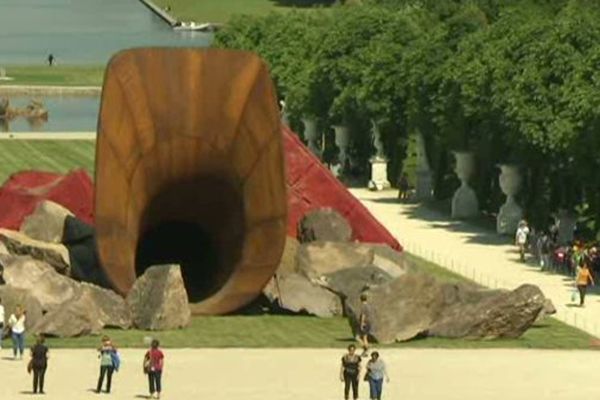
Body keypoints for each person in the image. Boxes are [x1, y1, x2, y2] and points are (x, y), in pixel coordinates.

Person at [358, 293, 373, 357]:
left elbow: (363, 315)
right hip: (369, 322)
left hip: (365, 323)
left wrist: (362, 323)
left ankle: (366, 349)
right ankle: (366, 349)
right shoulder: (368, 306)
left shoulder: (363, 306)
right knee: (364, 337)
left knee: (362, 338)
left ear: (360, 299)